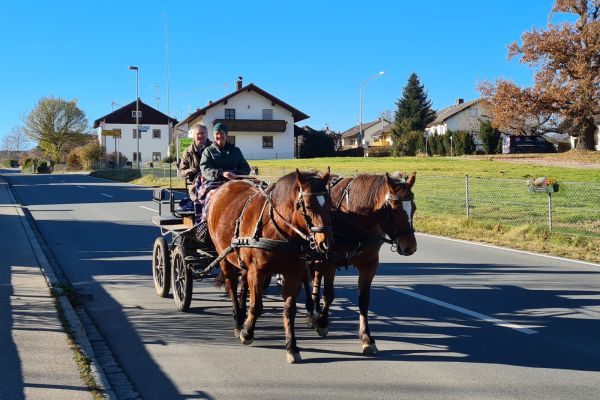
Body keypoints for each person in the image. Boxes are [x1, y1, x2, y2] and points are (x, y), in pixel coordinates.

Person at [196, 123, 251, 243]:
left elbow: (246, 168)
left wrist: (237, 173)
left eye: (221, 134)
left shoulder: (236, 151)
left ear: (226, 135)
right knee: (213, 196)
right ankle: (205, 225)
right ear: (214, 136)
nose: (219, 136)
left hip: (235, 181)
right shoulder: (208, 151)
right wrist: (221, 173)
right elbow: (205, 169)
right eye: (217, 134)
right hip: (215, 182)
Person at [178, 123, 211, 203]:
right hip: (196, 185)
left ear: (207, 134)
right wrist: (188, 171)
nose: (200, 136)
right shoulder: (187, 152)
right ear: (194, 136)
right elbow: (181, 172)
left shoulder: (214, 148)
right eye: (198, 134)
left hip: (212, 181)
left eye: (202, 133)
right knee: (197, 196)